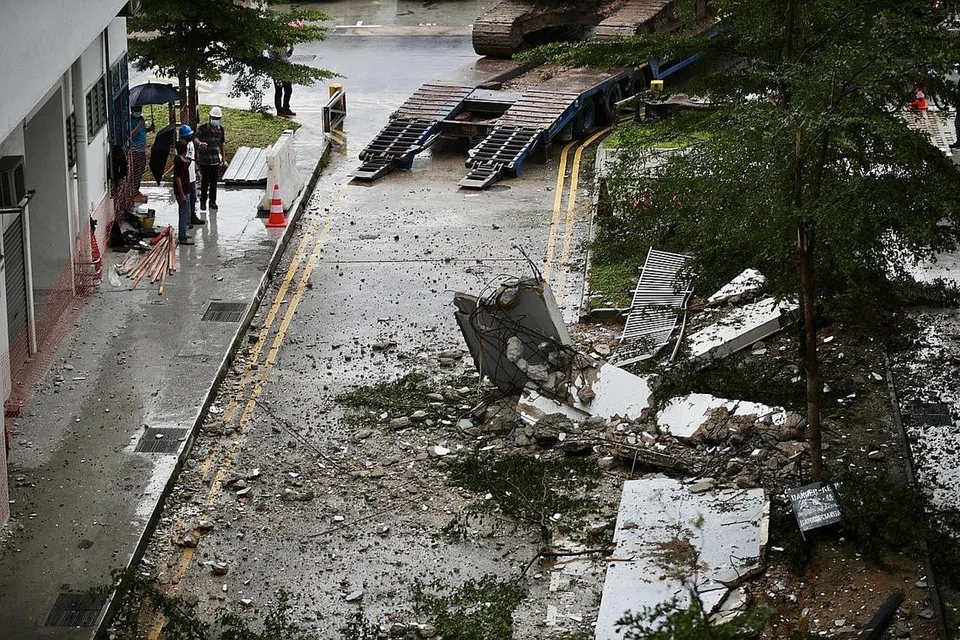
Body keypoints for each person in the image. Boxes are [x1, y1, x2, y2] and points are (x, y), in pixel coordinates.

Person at [195, 106, 226, 212]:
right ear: (209, 117)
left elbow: (221, 144)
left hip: (215, 160)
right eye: (214, 118)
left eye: (217, 119)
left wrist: (223, 157)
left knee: (214, 182)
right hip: (204, 160)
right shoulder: (203, 128)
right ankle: (203, 202)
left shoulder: (220, 130)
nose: (215, 121)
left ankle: (212, 201)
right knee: (205, 182)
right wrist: (200, 143)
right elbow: (195, 138)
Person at [178, 124, 205, 227]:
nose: (190, 138)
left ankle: (193, 216)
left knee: (193, 198)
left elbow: (193, 158)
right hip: (185, 177)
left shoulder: (191, 144)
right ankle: (187, 220)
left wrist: (197, 170)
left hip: (192, 175)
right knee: (187, 201)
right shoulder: (181, 147)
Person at [173, 139, 194, 245]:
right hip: (183, 191)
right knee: (184, 214)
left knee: (187, 212)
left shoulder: (182, 160)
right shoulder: (178, 161)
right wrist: (182, 194)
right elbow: (178, 178)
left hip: (187, 188)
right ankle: (182, 237)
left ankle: (184, 232)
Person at [130, 107, 152, 202]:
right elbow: (131, 134)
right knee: (136, 173)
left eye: (140, 109)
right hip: (136, 150)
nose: (139, 112)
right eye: (137, 110)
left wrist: (149, 129)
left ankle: (136, 190)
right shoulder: (130, 121)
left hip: (142, 149)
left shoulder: (140, 119)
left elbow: (142, 132)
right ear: (133, 111)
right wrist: (139, 125)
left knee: (140, 172)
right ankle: (134, 194)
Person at [268, 43, 297, 117]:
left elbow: (286, 56)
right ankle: (279, 110)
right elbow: (282, 58)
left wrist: (291, 50)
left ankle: (286, 107)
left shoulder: (283, 46)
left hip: (285, 70)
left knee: (288, 90)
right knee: (279, 91)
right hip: (277, 70)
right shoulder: (273, 47)